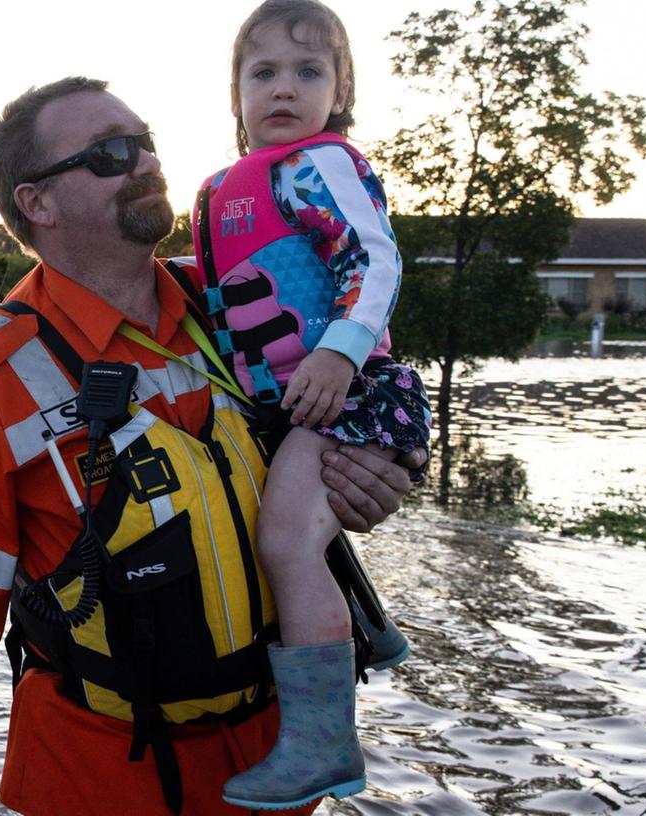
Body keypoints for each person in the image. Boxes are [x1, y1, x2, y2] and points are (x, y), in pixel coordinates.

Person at [0, 76, 427, 816]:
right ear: (37, 203)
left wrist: (382, 475)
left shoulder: (232, 306)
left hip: (281, 768)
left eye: (146, 143)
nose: (145, 163)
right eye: (109, 153)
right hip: (101, 777)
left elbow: (358, 399)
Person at [191, 1, 434, 808]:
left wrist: (338, 348)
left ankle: (326, 745)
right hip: (290, 406)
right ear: (235, 94)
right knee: (292, 532)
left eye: (308, 71)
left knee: (287, 536)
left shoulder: (320, 166)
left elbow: (375, 257)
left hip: (349, 391)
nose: (283, 88)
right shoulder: (224, 190)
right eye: (262, 72)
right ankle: (371, 630)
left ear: (341, 88)